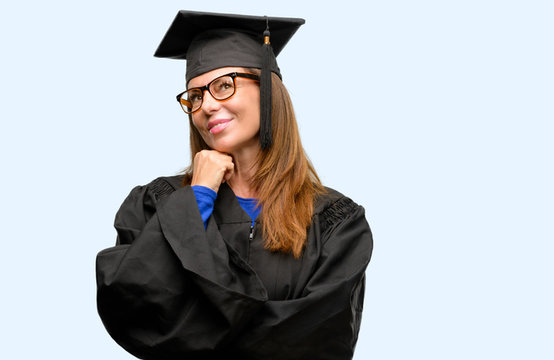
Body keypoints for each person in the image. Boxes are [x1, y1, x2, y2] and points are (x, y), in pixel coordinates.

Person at [95, 10, 373, 360]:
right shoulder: (156, 203)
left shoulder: (334, 222)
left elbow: (317, 341)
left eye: (224, 86)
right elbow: (131, 310)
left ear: (268, 90)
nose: (207, 106)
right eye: (194, 96)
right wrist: (197, 199)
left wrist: (190, 330)